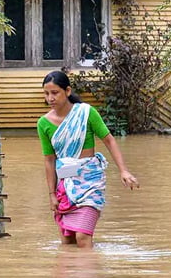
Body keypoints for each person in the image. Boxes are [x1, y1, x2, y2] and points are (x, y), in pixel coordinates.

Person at [38, 71, 138, 248]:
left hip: (90, 183)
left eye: (55, 93)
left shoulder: (86, 113)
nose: (50, 98)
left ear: (67, 91)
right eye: (46, 94)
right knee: (67, 242)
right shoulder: (43, 123)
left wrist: (123, 170)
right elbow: (49, 160)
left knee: (83, 238)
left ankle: (88, 273)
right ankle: (69, 274)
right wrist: (51, 194)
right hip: (65, 187)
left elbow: (109, 140)